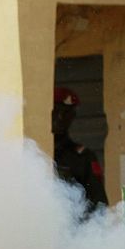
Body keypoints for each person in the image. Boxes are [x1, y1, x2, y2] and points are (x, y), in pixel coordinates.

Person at [52, 86, 110, 220]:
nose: (60, 118)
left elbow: (99, 203)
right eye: (56, 111)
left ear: (72, 117)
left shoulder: (83, 157)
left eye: (66, 113)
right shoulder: (34, 152)